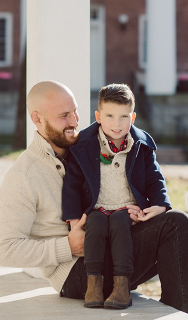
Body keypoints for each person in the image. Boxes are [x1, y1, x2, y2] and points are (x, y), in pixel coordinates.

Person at [0, 80, 188, 313]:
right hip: (78, 273)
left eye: (75, 111)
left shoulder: (88, 147)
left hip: (114, 242)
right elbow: (5, 250)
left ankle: (174, 311)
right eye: (64, 115)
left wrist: (141, 210)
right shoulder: (23, 175)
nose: (75, 121)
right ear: (37, 119)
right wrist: (67, 246)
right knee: (175, 226)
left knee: (173, 236)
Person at [61, 83, 171, 309]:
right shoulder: (84, 145)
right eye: (110, 115)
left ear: (133, 118)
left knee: (121, 224)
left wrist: (160, 204)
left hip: (126, 209)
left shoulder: (141, 146)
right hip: (95, 209)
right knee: (96, 224)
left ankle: (122, 286)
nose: (117, 123)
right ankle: (94, 284)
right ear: (98, 116)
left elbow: (154, 179)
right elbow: (71, 185)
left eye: (124, 116)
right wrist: (73, 220)